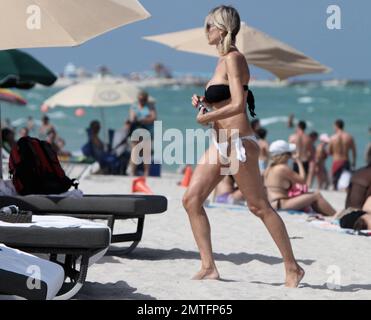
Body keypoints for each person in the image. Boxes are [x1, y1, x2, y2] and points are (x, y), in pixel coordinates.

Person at [183, 5, 304, 287]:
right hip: (219, 142)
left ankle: (292, 267)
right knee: (191, 199)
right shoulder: (221, 61)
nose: (206, 32)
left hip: (239, 143)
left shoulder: (234, 59)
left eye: (209, 27)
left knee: (258, 206)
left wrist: (209, 115)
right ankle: (208, 266)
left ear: (222, 29)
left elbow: (238, 104)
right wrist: (203, 103)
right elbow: (225, 100)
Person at [264, 140, 336, 217]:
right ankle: (335, 215)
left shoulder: (268, 169)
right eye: (289, 153)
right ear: (285, 155)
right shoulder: (282, 168)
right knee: (316, 195)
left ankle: (328, 214)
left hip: (273, 204)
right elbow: (303, 180)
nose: (290, 156)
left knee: (309, 197)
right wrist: (298, 161)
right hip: (281, 204)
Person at [129, 90, 157, 176]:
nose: (141, 101)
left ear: (146, 99)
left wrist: (144, 120)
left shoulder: (150, 107)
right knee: (135, 151)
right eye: (140, 99)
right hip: (136, 130)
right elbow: (132, 118)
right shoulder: (134, 106)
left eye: (143, 99)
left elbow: (154, 118)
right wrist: (144, 119)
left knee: (146, 151)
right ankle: (133, 171)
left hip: (147, 131)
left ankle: (146, 172)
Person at [329, 119, 357, 190]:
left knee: (335, 182)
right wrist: (354, 162)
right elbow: (354, 151)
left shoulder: (332, 138)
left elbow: (329, 152)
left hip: (336, 161)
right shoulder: (349, 137)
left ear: (336, 126)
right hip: (346, 161)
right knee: (347, 183)